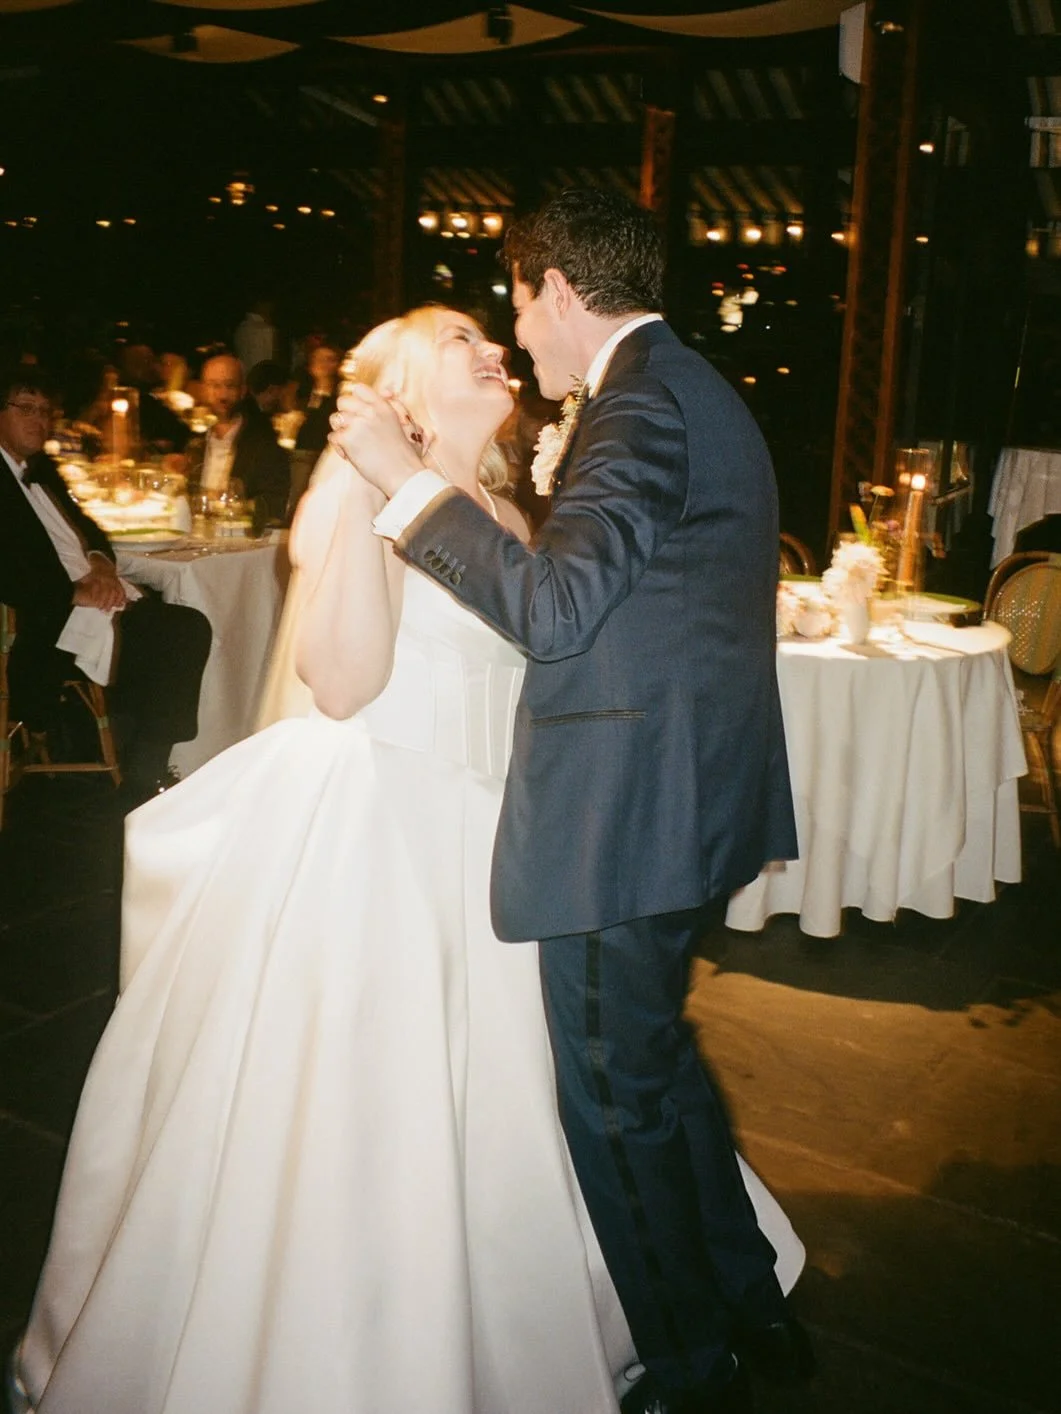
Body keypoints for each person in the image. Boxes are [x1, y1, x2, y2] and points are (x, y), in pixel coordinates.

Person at [9, 308, 803, 1414]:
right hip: (390, 829)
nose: (490, 345)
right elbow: (338, 685)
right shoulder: (362, 489)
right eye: (455, 337)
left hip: (501, 829)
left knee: (552, 1091)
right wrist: (364, 494)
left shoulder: (508, 503)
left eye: (494, 330)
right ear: (401, 390)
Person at [329, 190, 805, 1414]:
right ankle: (749, 1300)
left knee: (617, 1105)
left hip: (622, 820)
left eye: (517, 300)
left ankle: (695, 1371)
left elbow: (552, 613)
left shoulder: (639, 401)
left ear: (554, 287)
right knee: (658, 1073)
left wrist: (401, 482)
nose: (513, 333)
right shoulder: (682, 385)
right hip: (676, 801)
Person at [0, 366, 211, 799]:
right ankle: (143, 773)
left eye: (46, 411)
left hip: (86, 599)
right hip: (39, 624)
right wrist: (72, 592)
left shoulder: (42, 469)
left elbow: (91, 530)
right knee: (177, 630)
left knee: (178, 625)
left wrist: (98, 562)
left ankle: (145, 761)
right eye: (26, 408)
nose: (39, 420)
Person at [184, 352, 290, 524]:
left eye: (229, 385)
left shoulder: (263, 442)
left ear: (242, 391)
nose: (222, 395)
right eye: (214, 385)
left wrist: (234, 504)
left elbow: (273, 503)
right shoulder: (193, 439)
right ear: (203, 389)